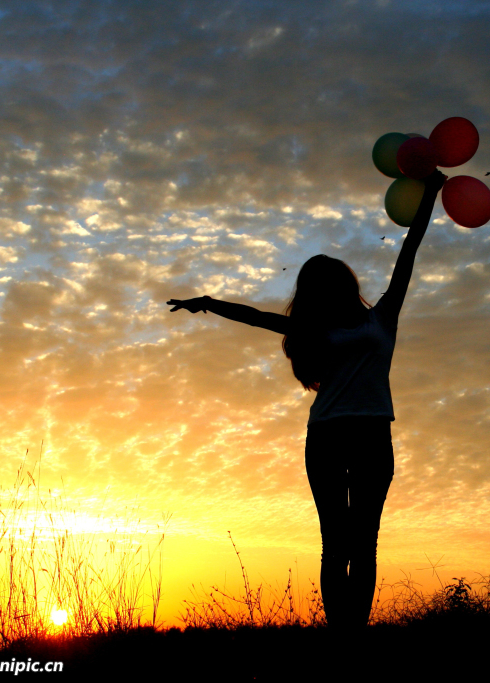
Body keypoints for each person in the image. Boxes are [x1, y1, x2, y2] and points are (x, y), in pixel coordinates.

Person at [167, 170, 447, 629]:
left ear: (342, 283)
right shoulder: (315, 330)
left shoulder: (383, 317)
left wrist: (431, 195)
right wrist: (207, 302)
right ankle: (341, 632)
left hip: (374, 433)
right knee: (335, 543)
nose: (321, 293)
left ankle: (354, 629)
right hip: (328, 436)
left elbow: (407, 254)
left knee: (365, 542)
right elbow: (257, 318)